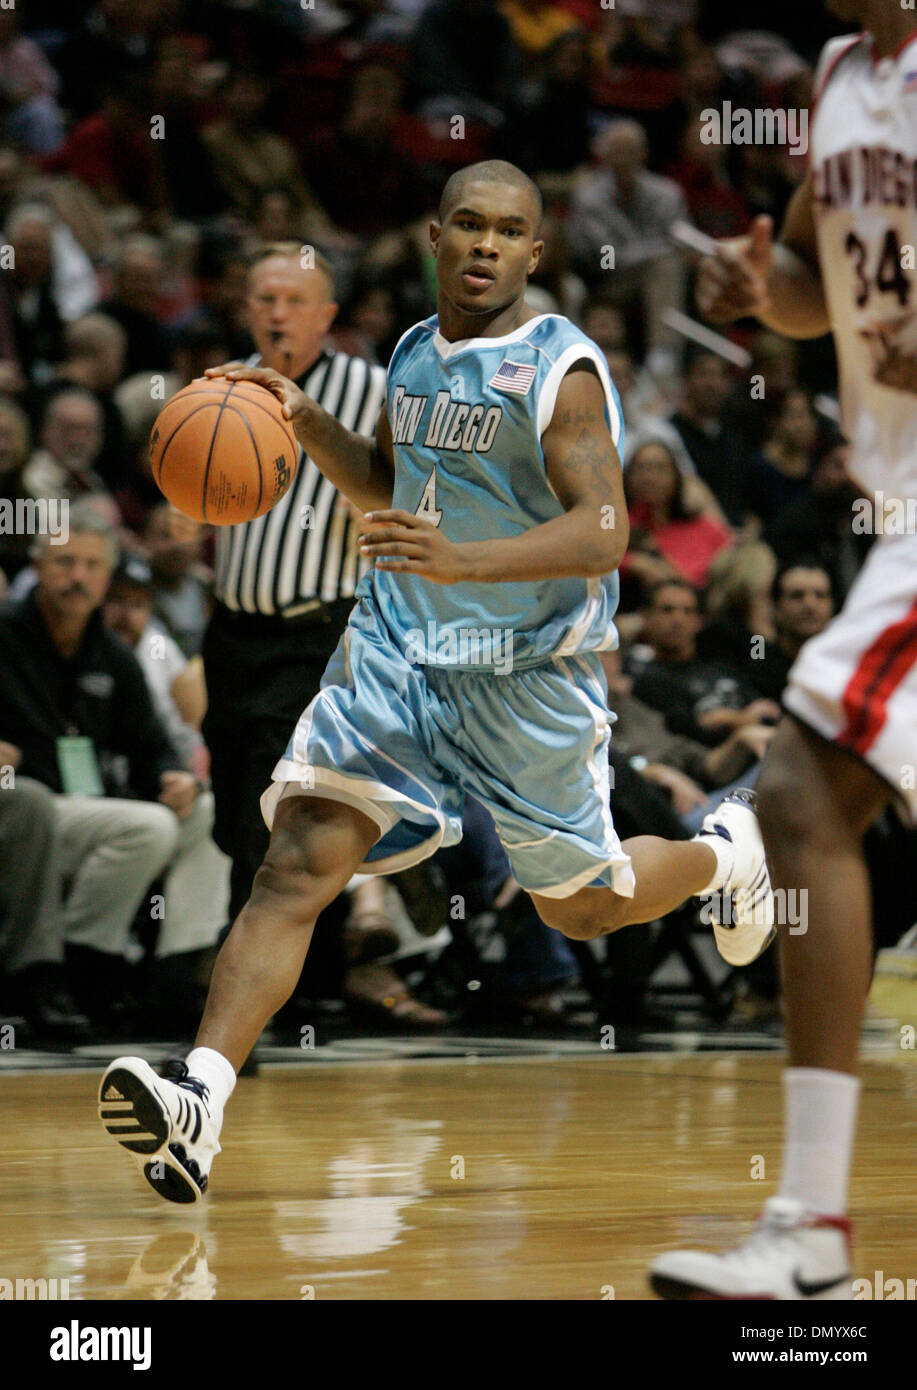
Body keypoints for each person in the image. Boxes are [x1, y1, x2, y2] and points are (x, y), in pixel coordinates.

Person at [99, 159, 776, 1205]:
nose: (486, 245)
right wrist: (304, 420)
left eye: (508, 231)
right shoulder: (412, 355)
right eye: (468, 224)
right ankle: (200, 1098)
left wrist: (467, 560)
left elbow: (605, 529)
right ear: (434, 235)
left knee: (582, 909)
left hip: (527, 672)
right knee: (296, 861)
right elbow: (386, 485)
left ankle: (721, 853)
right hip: (400, 649)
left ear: (534, 252)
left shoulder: (562, 367)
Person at [650, 0, 917, 1300]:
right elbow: (825, 290)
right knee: (819, 797)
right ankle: (813, 1222)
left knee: (806, 787)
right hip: (898, 498)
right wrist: (765, 294)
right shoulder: (839, 73)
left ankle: (813, 1223)